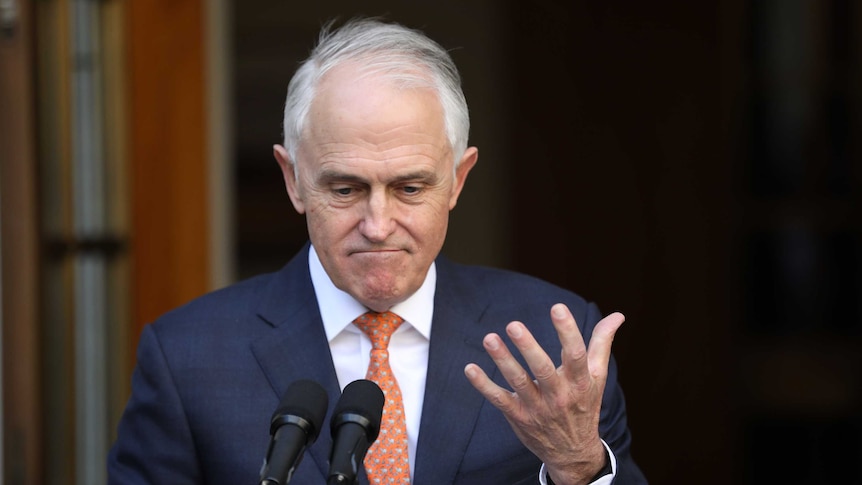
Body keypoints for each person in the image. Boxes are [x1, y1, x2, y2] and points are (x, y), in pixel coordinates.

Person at [107, 17, 647, 485]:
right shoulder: (188, 359)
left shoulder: (554, 342)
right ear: (293, 180)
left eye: (411, 188)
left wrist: (577, 467)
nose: (378, 224)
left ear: (458, 181)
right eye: (345, 189)